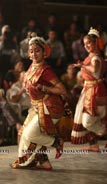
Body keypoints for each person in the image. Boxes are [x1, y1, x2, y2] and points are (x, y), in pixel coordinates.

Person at [10, 36, 67, 170]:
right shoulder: (31, 67)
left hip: (50, 107)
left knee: (31, 134)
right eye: (31, 51)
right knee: (23, 134)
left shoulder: (46, 70)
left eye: (37, 51)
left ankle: (56, 142)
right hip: (37, 107)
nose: (34, 54)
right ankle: (33, 161)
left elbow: (62, 90)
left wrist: (46, 88)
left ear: (44, 52)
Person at [71, 27, 107, 151]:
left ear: (95, 43)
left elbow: (95, 70)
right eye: (85, 44)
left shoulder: (95, 58)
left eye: (88, 43)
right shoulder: (92, 56)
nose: (86, 46)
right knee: (86, 117)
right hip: (89, 89)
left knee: (88, 121)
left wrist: (83, 65)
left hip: (95, 91)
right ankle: (93, 145)